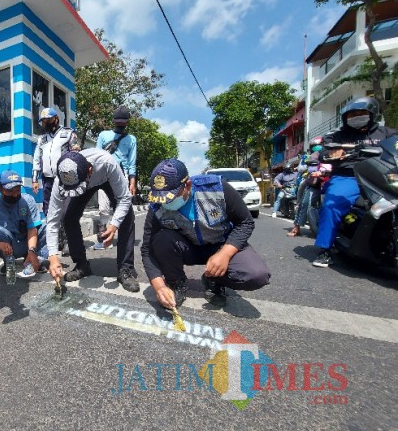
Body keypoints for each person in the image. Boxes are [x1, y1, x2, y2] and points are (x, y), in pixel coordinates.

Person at [140, 159, 271, 309]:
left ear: (187, 185)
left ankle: (215, 280)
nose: (165, 203)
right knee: (162, 240)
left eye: (171, 197)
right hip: (187, 248)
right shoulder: (157, 205)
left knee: (256, 275)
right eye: (161, 198)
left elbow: (246, 222)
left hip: (221, 245)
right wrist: (159, 287)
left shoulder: (216, 188)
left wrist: (225, 254)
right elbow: (147, 249)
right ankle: (176, 283)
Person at [312, 96, 397, 267]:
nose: (356, 117)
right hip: (349, 176)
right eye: (352, 115)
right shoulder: (338, 135)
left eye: (361, 113)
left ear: (372, 114)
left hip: (383, 174)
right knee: (332, 204)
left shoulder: (388, 133)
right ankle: (325, 249)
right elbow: (325, 153)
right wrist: (336, 153)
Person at [46, 149, 140, 292]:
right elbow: (52, 220)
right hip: (82, 181)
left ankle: (125, 269)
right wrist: (53, 256)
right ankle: (82, 265)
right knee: (69, 217)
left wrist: (114, 225)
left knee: (127, 217)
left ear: (90, 170)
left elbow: (124, 198)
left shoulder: (107, 163)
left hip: (107, 178)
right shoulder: (62, 178)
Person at [0, 170, 48, 278]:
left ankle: (37, 259)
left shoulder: (27, 200)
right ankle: (8, 261)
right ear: (0, 189)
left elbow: (32, 229)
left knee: (47, 227)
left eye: (17, 190)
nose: (14, 194)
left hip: (28, 242)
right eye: (10, 191)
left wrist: (31, 250)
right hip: (8, 247)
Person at [94, 106, 138, 250]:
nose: (120, 124)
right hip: (104, 174)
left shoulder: (131, 139)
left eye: (122, 121)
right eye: (117, 121)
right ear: (113, 121)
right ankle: (104, 239)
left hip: (121, 175)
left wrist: (132, 182)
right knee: (103, 208)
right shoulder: (103, 135)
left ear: (127, 122)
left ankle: (124, 240)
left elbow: (132, 162)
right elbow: (96, 156)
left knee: (122, 207)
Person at [31, 107, 80, 217]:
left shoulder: (68, 134)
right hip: (47, 179)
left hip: (65, 178)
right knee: (48, 207)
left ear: (56, 118)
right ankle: (50, 232)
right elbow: (37, 159)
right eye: (43, 121)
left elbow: (76, 155)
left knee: (66, 207)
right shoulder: (42, 139)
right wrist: (34, 180)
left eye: (48, 120)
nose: (46, 123)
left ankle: (65, 231)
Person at [287, 137, 323, 237]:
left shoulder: (332, 153)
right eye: (315, 146)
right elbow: (307, 169)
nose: (318, 147)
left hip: (330, 182)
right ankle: (297, 227)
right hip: (315, 183)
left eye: (320, 145)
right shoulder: (310, 157)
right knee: (304, 203)